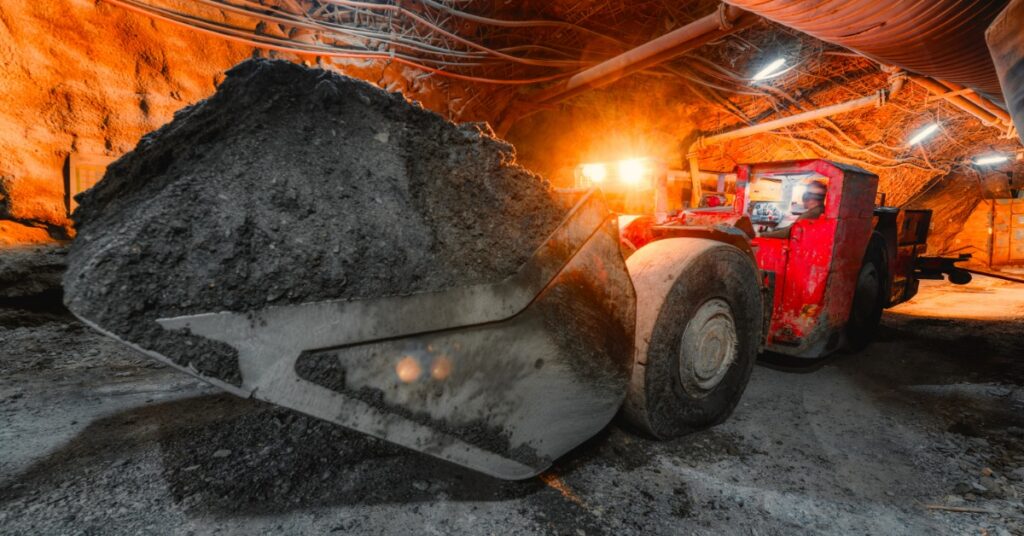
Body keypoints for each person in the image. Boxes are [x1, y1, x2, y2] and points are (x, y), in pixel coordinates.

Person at [759, 180, 827, 239]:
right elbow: (791, 229)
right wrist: (773, 231)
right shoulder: (819, 210)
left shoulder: (812, 214)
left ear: (806, 197)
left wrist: (761, 235)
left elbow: (789, 232)